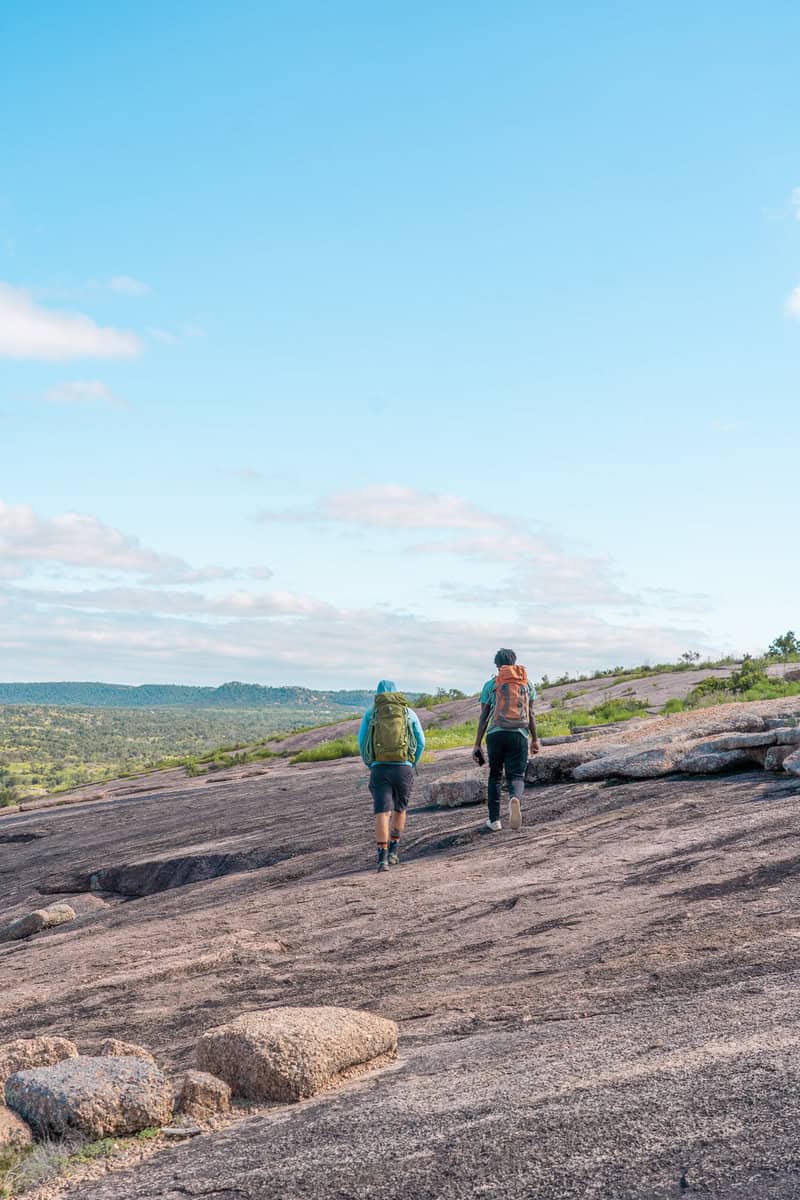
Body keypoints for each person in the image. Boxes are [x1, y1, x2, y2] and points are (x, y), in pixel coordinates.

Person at [358, 680, 425, 872]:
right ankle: (395, 851)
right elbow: (421, 741)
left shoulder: (371, 713)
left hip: (380, 768)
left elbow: (362, 742)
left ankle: (382, 859)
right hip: (403, 768)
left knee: (382, 811)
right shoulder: (408, 712)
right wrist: (412, 763)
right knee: (399, 809)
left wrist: (370, 763)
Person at [472, 648, 540, 832]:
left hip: (495, 735)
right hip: (519, 734)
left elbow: (484, 716)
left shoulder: (490, 684)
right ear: (514, 661)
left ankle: (494, 821)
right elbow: (531, 713)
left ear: (497, 665)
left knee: (495, 775)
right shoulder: (527, 684)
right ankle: (514, 798)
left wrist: (477, 744)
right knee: (516, 775)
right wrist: (534, 739)